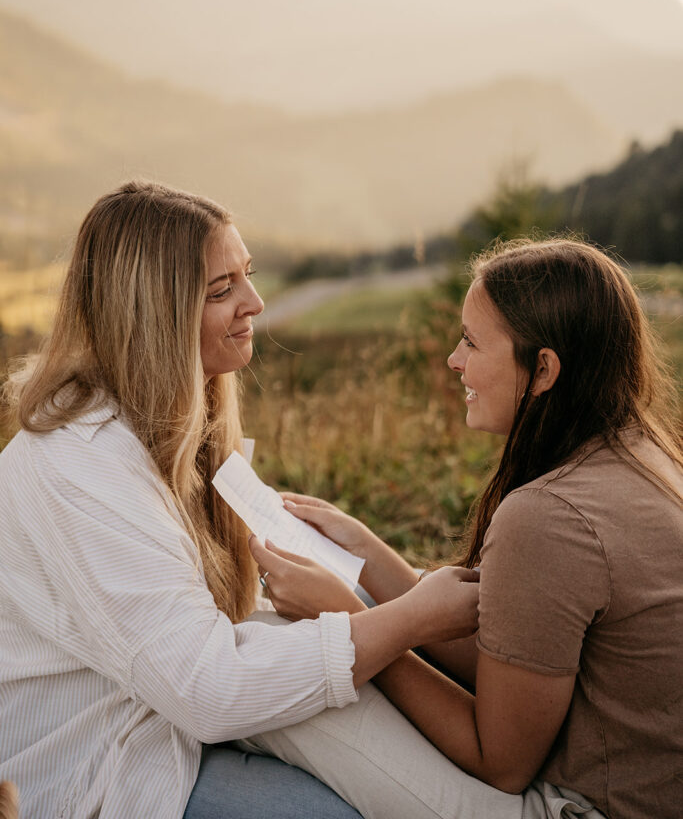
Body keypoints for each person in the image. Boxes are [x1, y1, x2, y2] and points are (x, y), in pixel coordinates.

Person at [0, 180, 483, 819]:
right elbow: (209, 689)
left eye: (247, 276)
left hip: (165, 713)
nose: (254, 302)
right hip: (107, 760)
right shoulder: (79, 465)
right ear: (150, 314)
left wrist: (361, 578)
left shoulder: (171, 417)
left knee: (348, 623)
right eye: (221, 290)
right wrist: (409, 618)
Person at [246, 237, 683, 819]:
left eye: (472, 342)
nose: (454, 359)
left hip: (578, 806)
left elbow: (499, 764)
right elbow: (527, 660)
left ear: (544, 368)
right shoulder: (645, 457)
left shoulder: (551, 517)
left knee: (286, 673)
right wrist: (375, 560)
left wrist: (359, 628)